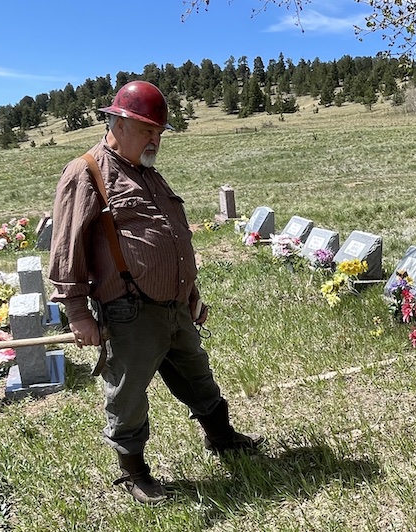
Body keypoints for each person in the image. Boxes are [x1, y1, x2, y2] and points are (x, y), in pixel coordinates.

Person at [48, 80, 263, 504]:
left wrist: (191, 291)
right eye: (148, 129)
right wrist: (76, 312)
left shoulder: (148, 173)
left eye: (159, 132)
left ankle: (221, 437)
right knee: (127, 395)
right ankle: (134, 472)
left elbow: (173, 238)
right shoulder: (87, 172)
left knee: (198, 375)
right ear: (118, 122)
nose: (156, 139)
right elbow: (66, 247)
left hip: (175, 306)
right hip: (129, 311)